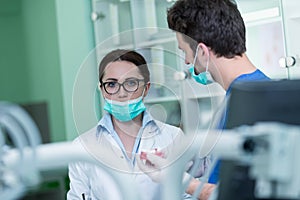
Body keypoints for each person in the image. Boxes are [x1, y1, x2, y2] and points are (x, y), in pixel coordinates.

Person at [136, 0, 270, 199]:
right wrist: (187, 160)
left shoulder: (248, 105)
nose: (187, 63)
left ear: (202, 52)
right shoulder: (247, 93)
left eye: (184, 52)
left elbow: (236, 194)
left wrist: (178, 179)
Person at [67, 49, 187, 199]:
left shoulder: (173, 137)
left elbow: (187, 194)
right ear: (102, 90)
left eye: (131, 83)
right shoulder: (82, 146)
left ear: (146, 88)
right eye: (111, 84)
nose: (121, 93)